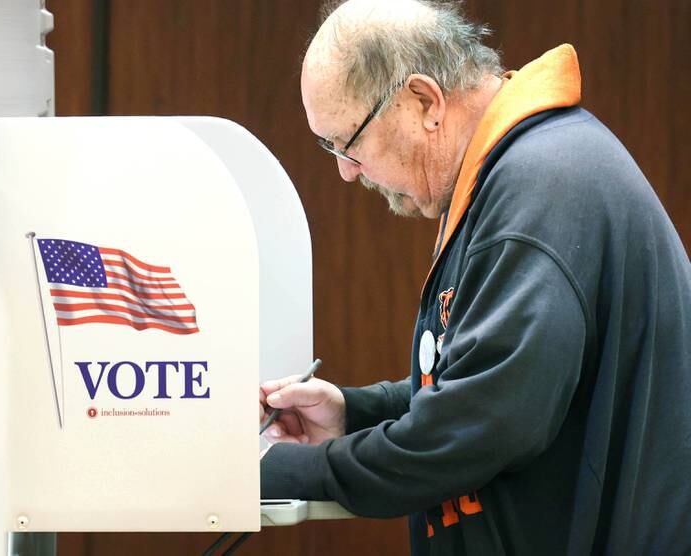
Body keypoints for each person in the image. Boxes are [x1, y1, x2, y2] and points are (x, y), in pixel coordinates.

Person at [258, 0, 691, 554]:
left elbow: (476, 432)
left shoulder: (541, 189)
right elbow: (483, 383)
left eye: (349, 142)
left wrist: (278, 470)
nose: (347, 171)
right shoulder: (514, 173)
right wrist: (353, 413)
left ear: (425, 102)